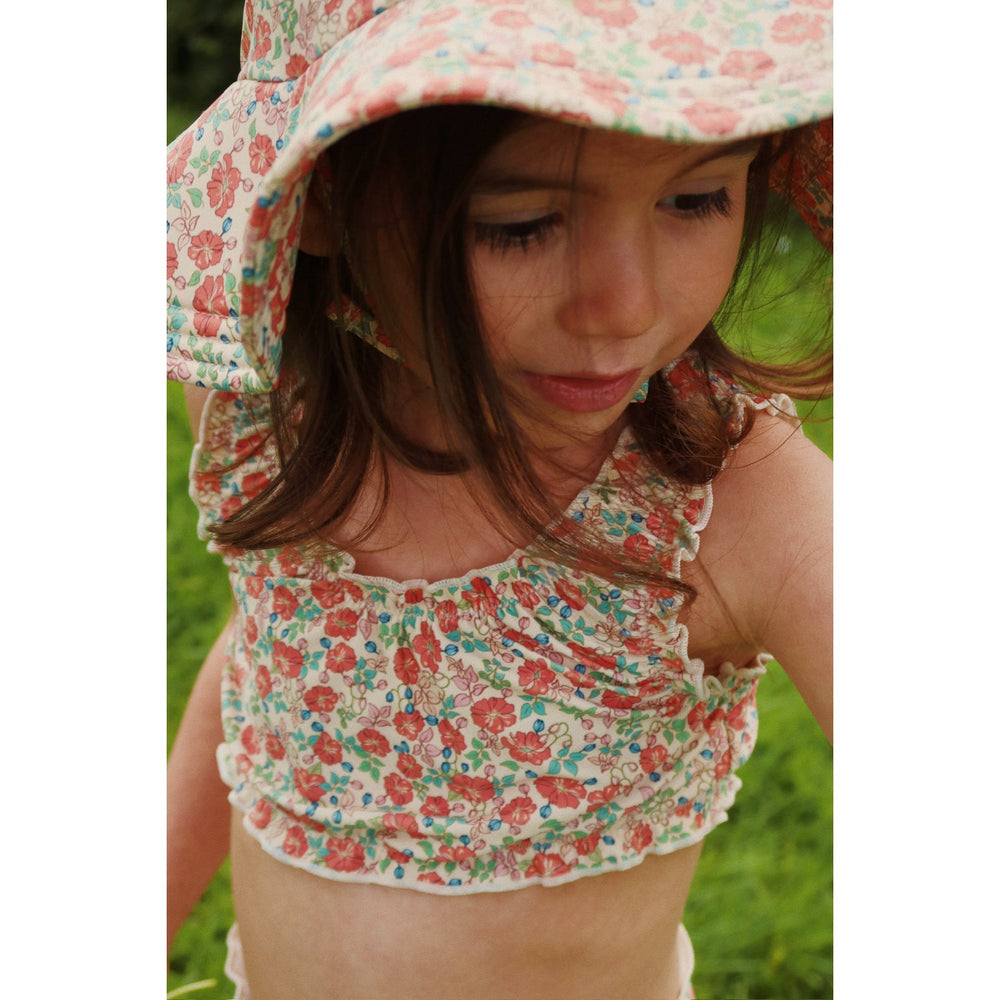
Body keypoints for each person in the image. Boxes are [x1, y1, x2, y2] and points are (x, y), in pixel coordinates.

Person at [166, 2, 832, 998]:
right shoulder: (271, 419)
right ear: (322, 197)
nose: (626, 304)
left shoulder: (736, 505)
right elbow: (274, 645)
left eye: (696, 199)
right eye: (521, 224)